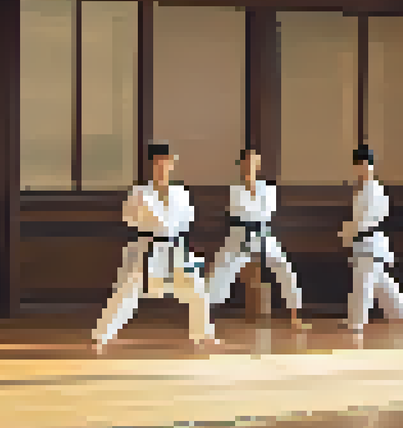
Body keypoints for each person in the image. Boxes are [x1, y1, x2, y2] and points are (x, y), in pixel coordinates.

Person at [93, 143, 216, 349]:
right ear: (152, 165)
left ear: (172, 164)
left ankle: (202, 333)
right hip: (147, 245)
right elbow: (128, 218)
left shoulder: (181, 192)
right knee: (127, 291)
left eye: (166, 162)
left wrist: (174, 236)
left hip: (175, 246)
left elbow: (188, 220)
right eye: (158, 163)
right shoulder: (140, 192)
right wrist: (149, 220)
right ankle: (103, 334)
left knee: (196, 288)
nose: (162, 167)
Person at [206, 148, 308, 330]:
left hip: (263, 234)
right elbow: (241, 211)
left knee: (285, 267)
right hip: (239, 235)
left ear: (258, 165)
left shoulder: (268, 189)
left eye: (253, 162)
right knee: (220, 269)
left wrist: (254, 205)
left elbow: (267, 211)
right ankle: (207, 316)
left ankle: (295, 315)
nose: (249, 166)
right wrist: (253, 204)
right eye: (246, 162)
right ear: (241, 165)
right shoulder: (235, 189)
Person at [342, 145, 403, 331]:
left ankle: (357, 322)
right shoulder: (364, 189)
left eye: (366, 164)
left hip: (370, 241)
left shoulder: (374, 190)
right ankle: (401, 314)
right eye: (360, 164)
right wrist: (349, 232)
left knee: (363, 282)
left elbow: (366, 220)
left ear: (371, 165)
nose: (363, 168)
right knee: (381, 282)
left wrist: (348, 231)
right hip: (366, 240)